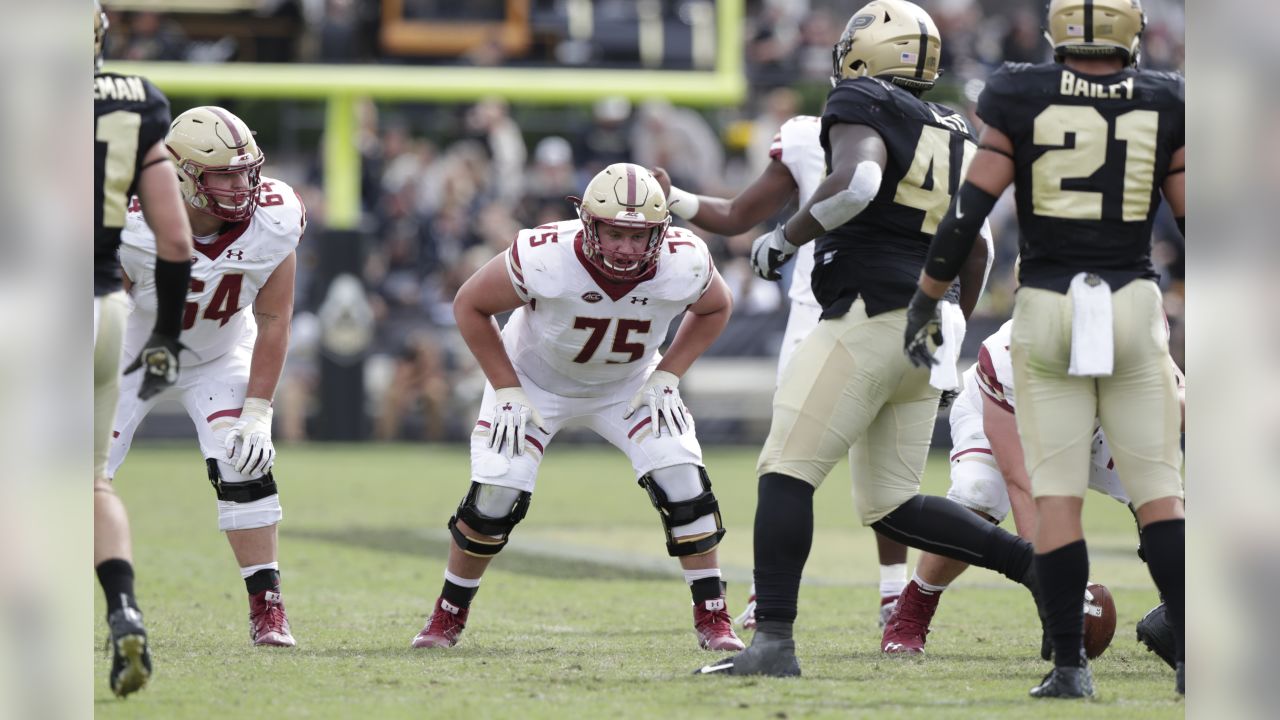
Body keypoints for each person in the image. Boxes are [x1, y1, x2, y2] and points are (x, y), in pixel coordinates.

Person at [696, 0, 1041, 678]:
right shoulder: (957, 130)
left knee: (785, 471)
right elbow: (976, 252)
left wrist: (785, 237)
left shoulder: (861, 100)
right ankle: (1041, 567)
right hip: (927, 329)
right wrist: (948, 341)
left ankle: (773, 642)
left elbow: (857, 181)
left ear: (867, 53)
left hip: (868, 313)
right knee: (892, 502)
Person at [904, 0, 1185, 698]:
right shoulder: (1165, 99)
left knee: (1056, 499)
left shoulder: (1019, 93)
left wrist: (928, 294)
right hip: (1129, 301)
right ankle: (1194, 665)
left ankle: (1069, 668)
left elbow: (969, 213)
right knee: (1162, 498)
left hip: (1050, 304)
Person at [410, 163, 744, 653]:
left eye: (641, 235)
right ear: (588, 223)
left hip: (629, 385)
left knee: (684, 484)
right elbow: (469, 305)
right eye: (615, 233)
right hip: (534, 382)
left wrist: (669, 374)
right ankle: (448, 614)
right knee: (495, 498)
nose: (628, 247)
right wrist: (506, 388)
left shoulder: (684, 259)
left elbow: (717, 306)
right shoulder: (546, 255)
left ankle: (714, 617)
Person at [656, 110, 964, 628]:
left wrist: (783, 238)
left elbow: (971, 237)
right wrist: (674, 199)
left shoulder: (912, 132)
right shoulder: (817, 135)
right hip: (833, 317)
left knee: (862, 473)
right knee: (797, 467)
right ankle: (773, 592)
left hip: (873, 310)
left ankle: (892, 591)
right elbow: (736, 213)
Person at [109, 106, 303, 649]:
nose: (241, 185)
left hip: (220, 352)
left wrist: (259, 412)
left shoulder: (275, 217)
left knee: (242, 461)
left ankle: (268, 608)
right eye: (224, 173)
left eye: (246, 171)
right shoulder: (133, 220)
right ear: (183, 173)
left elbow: (273, 318)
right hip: (132, 351)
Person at [884, 319, 1182, 667]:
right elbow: (1023, 485)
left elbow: (1177, 401)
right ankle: (913, 610)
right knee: (977, 493)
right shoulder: (1008, 356)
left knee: (1162, 492)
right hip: (1012, 426)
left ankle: (1182, 611)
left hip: (1100, 427)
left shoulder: (1137, 322)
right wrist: (1054, 591)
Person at [93, 0, 193, 697]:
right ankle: (123, 610)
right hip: (104, 311)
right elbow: (177, 242)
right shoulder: (137, 99)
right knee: (90, 483)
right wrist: (164, 336)